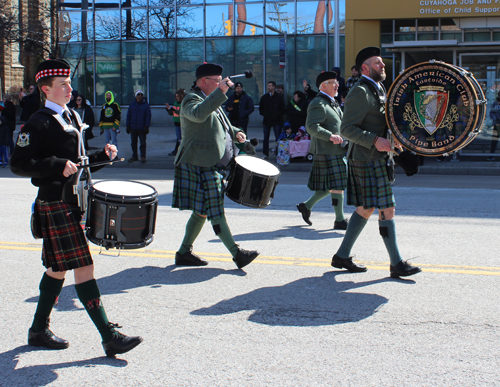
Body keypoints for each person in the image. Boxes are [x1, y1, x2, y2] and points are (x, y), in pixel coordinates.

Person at [9, 59, 142, 357]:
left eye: (69, 83)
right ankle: (109, 336)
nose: (70, 88)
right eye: (63, 85)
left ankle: (38, 329)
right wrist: (55, 165)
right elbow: (18, 164)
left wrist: (102, 155)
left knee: (58, 268)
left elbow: (76, 162)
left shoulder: (69, 114)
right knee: (84, 266)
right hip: (55, 201)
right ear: (46, 90)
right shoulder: (38, 121)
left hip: (73, 201)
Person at [332, 46, 421, 278]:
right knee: (386, 208)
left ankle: (342, 256)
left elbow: (381, 122)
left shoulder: (378, 88)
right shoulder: (360, 91)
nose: (382, 66)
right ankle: (396, 263)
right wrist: (374, 140)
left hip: (375, 158)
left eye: (382, 63)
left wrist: (395, 142)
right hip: (365, 159)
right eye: (378, 63)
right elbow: (347, 129)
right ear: (365, 67)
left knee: (366, 208)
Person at [172, 62, 259, 269]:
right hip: (200, 163)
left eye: (221, 81)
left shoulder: (211, 101)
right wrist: (220, 92)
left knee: (202, 211)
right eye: (217, 81)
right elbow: (199, 114)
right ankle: (237, 253)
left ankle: (184, 252)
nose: (222, 84)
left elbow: (221, 123)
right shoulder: (191, 100)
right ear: (204, 82)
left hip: (211, 163)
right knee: (215, 210)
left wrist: (236, 131)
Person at [296, 71, 349, 230]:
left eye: (337, 82)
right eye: (333, 82)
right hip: (326, 150)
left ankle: (306, 206)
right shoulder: (318, 103)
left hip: (336, 150)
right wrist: (330, 136)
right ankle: (339, 220)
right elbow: (311, 127)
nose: (337, 85)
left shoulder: (332, 102)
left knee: (333, 184)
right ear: (323, 86)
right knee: (337, 184)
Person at [259, 81, 285, 159]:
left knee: (278, 137)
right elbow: (261, 108)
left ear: (274, 87)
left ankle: (278, 153)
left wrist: (278, 115)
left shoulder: (279, 97)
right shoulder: (265, 97)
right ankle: (265, 154)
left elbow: (282, 108)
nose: (268, 87)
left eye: (270, 86)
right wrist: (265, 114)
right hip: (267, 121)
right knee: (266, 138)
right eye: (268, 86)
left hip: (277, 121)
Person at [126, 90, 151, 163]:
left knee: (142, 142)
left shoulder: (146, 105)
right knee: (133, 142)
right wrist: (128, 126)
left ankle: (143, 156)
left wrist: (146, 126)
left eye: (141, 94)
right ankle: (134, 155)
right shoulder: (132, 105)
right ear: (136, 96)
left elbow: (148, 116)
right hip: (133, 127)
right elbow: (129, 115)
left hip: (142, 127)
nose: (140, 96)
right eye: (138, 94)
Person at [165, 88, 186, 156]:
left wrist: (172, 110)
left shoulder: (183, 104)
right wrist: (168, 109)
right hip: (176, 123)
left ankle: (180, 151)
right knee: (178, 138)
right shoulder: (175, 103)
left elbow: (181, 113)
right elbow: (172, 113)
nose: (177, 98)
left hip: (182, 123)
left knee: (181, 138)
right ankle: (177, 151)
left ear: (181, 96)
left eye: (178, 96)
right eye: (176, 96)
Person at [488, 93, 500, 161]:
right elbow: (491, 112)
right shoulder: (496, 103)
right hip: (497, 124)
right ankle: (491, 156)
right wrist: (495, 120)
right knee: (494, 141)